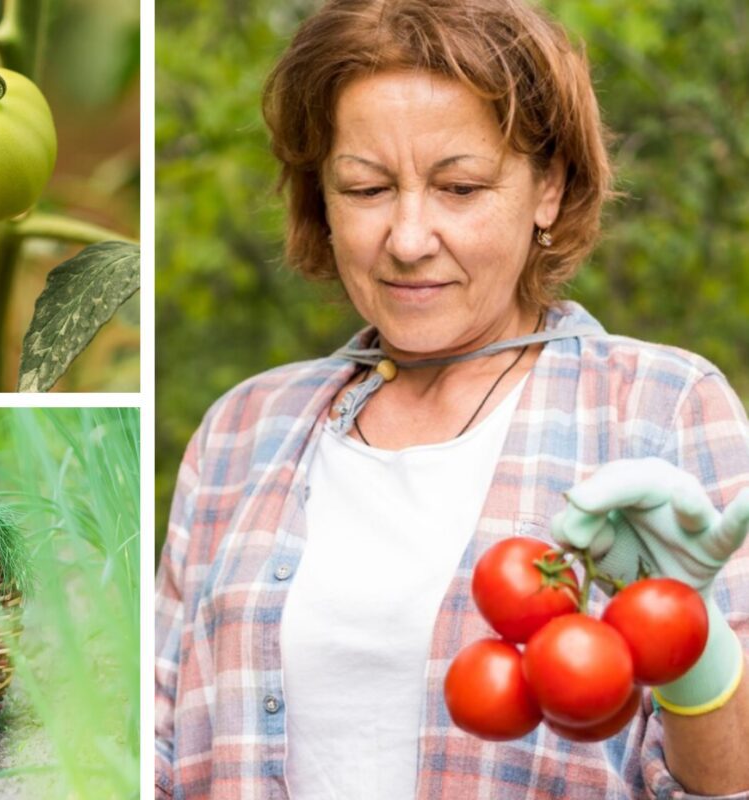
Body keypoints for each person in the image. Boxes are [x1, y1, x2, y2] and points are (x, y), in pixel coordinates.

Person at [154, 1, 749, 798]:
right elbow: (152, 743)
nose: (406, 238)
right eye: (364, 188)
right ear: (320, 200)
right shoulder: (242, 430)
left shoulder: (661, 408)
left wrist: (695, 652)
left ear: (549, 187)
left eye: (459, 187)